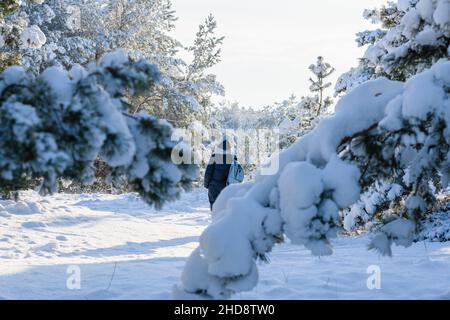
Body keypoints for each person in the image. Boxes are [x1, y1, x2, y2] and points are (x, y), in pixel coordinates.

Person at [204, 139, 236, 211]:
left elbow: (208, 173)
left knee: (214, 207)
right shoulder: (232, 159)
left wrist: (206, 185)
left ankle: (215, 220)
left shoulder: (214, 157)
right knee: (224, 208)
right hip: (227, 187)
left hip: (214, 187)